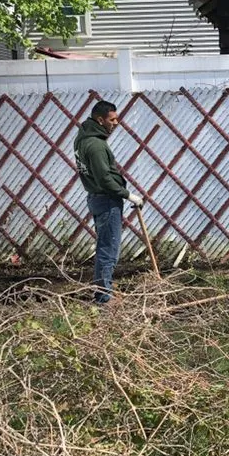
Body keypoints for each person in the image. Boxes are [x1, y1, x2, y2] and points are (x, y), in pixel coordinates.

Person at [74, 100, 143, 303]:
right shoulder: (95, 145)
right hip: (106, 200)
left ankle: (101, 291)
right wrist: (127, 194)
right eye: (112, 119)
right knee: (109, 250)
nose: (116, 123)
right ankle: (103, 297)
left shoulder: (83, 138)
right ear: (100, 119)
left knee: (105, 246)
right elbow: (104, 178)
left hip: (96, 198)